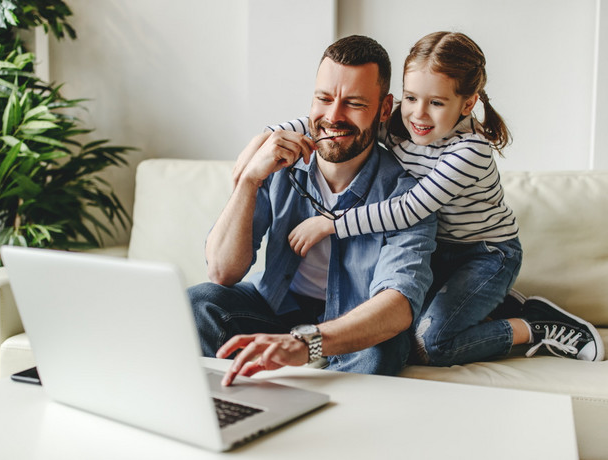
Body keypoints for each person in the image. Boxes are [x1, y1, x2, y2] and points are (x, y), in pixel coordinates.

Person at [248, 31, 605, 365]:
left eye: (436, 102)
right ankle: (488, 305)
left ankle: (533, 325)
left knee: (429, 344)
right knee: (388, 325)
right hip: (438, 249)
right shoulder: (401, 125)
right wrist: (265, 139)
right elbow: (335, 124)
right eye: (412, 98)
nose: (419, 114)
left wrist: (332, 224)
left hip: (484, 254)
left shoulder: (470, 151)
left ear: (467, 104)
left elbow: (410, 208)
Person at [188, 35, 437, 386]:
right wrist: (248, 181)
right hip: (277, 307)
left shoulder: (409, 195)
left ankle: (321, 422)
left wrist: (308, 342)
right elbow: (223, 272)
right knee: (200, 302)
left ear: (383, 109)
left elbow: (396, 305)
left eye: (353, 103)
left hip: (353, 325)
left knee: (385, 346)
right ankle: (232, 409)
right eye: (323, 99)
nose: (333, 117)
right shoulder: (278, 163)